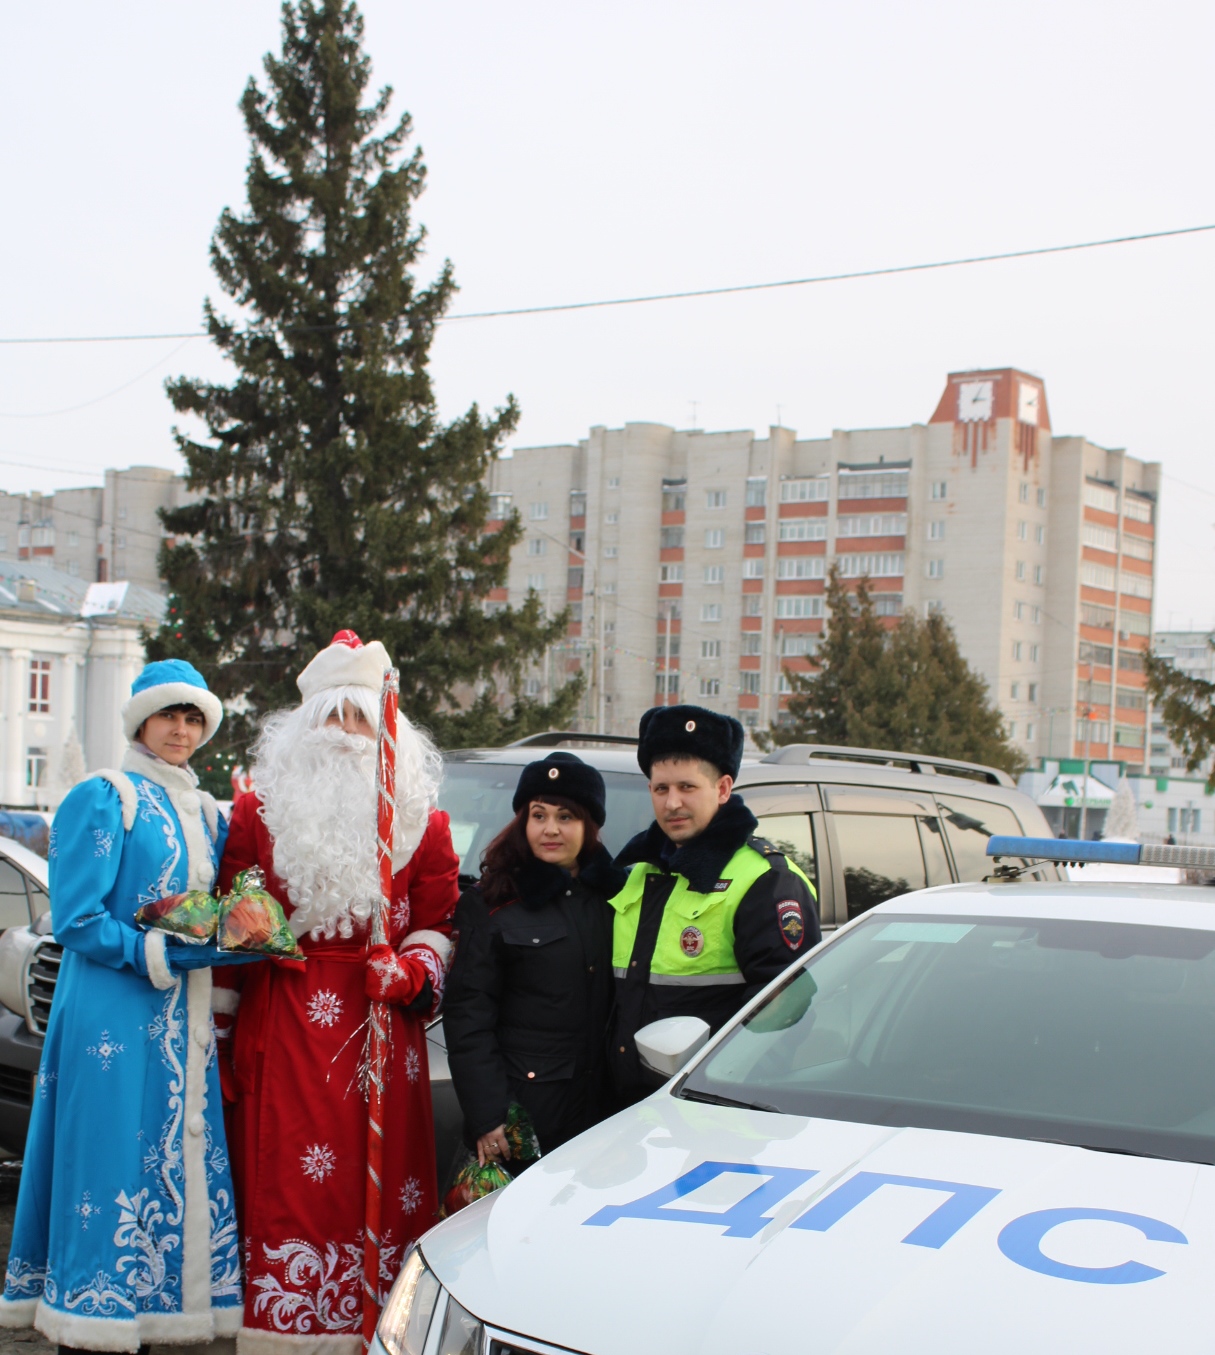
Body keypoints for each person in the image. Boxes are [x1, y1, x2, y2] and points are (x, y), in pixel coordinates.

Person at [214, 630, 458, 1355]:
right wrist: (221, 1034)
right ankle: (285, 1327)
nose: (347, 735)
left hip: (382, 1032)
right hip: (285, 1023)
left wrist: (411, 970)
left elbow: (441, 921)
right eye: (332, 717)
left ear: (386, 731)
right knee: (289, 1181)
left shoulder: (424, 821)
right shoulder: (257, 816)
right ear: (303, 728)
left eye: (360, 718)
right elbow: (232, 927)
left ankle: (377, 1323)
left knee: (375, 1190)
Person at [0, 659, 248, 1351]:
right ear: (140, 719)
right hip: (109, 1010)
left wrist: (234, 939)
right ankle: (90, 1317)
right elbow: (76, 917)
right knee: (107, 1162)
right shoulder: (104, 795)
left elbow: (206, 912)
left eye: (193, 717)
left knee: (169, 1155)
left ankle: (161, 1311)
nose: (180, 729)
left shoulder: (206, 810)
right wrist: (163, 952)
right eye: (169, 714)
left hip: (181, 1017)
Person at [609, 704, 820, 1104]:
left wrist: (720, 1097)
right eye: (661, 788)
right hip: (633, 1113)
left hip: (709, 1109)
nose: (672, 803)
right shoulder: (641, 871)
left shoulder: (766, 880)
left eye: (687, 787)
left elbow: (784, 1016)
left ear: (723, 789)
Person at [445, 752, 624, 1166]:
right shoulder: (491, 903)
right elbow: (468, 1018)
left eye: (566, 817)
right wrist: (488, 1116)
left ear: (589, 826)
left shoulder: (617, 898)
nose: (550, 829)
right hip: (525, 1116)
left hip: (607, 1115)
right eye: (538, 815)